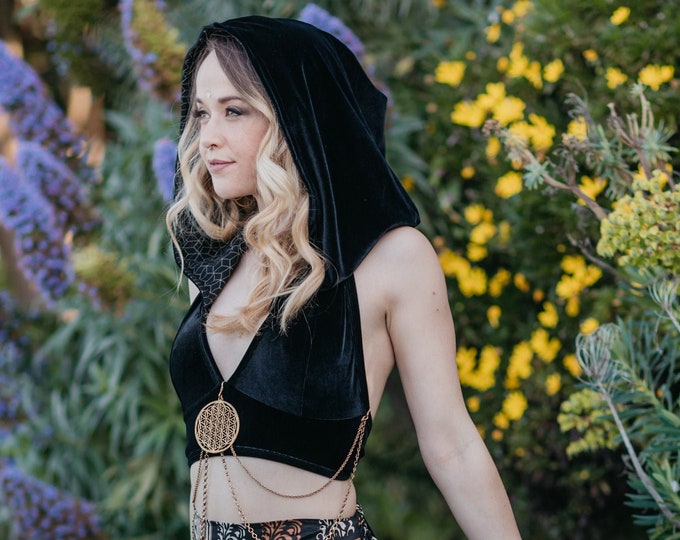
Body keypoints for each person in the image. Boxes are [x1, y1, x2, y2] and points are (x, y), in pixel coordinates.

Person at [167, 15, 521, 540]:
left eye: (234, 111)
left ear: (295, 114)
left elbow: (452, 444)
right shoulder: (215, 257)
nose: (207, 138)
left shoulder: (391, 259)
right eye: (201, 113)